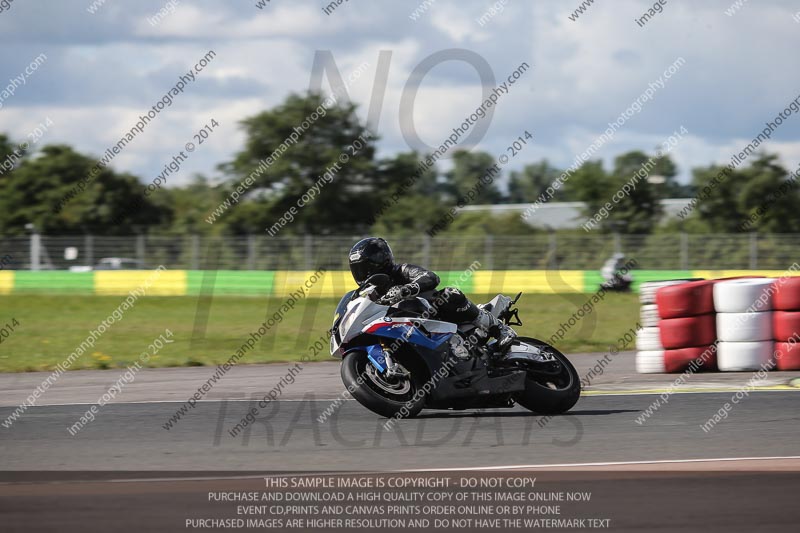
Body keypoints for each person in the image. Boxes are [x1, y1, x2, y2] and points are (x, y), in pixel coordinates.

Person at [348, 237, 516, 350]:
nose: (364, 274)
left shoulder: (402, 270)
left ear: (380, 260)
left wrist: (407, 289)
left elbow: (431, 277)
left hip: (438, 314)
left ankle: (499, 329)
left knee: (450, 294)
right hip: (407, 331)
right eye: (359, 270)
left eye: (367, 267)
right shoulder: (370, 294)